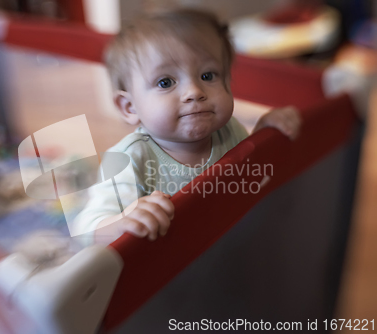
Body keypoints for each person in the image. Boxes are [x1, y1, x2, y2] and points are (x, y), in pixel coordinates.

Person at [72, 9, 301, 246]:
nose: (194, 91)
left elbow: (249, 179)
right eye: (165, 82)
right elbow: (86, 229)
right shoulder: (126, 160)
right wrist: (121, 222)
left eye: (208, 75)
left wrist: (263, 137)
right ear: (130, 107)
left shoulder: (229, 130)